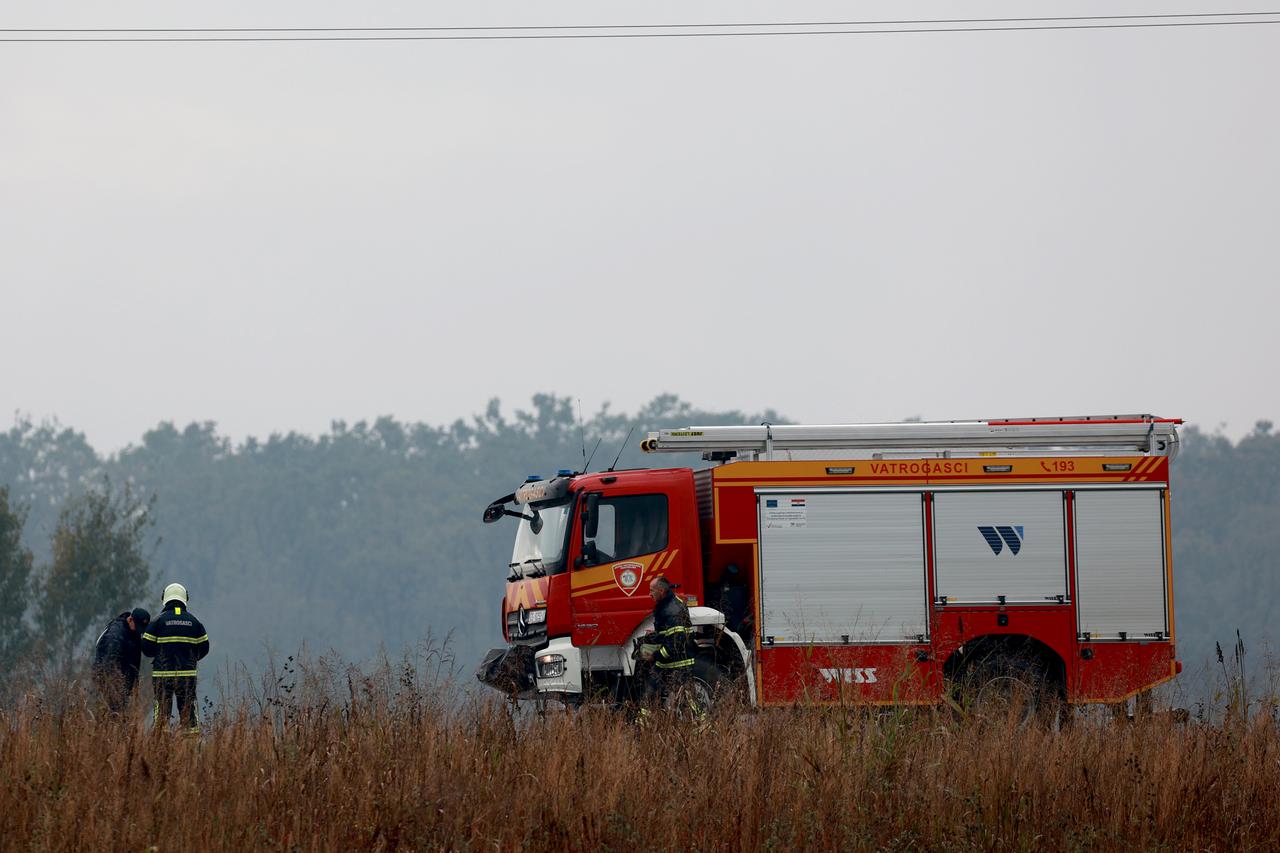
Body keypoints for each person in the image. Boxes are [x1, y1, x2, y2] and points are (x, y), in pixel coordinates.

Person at [141, 582, 209, 733]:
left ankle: (162, 750)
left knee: (161, 718)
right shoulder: (195, 622)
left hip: (162, 676)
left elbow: (145, 648)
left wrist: (158, 655)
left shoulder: (157, 622)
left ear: (165, 598)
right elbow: (204, 647)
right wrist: (191, 660)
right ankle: (190, 751)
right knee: (189, 716)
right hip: (187, 677)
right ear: (185, 598)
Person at [639, 576, 697, 713]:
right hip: (666, 662)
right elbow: (669, 634)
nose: (649, 594)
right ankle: (643, 728)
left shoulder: (672, 610)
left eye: (651, 590)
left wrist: (655, 656)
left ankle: (703, 726)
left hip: (679, 664)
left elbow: (676, 642)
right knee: (649, 698)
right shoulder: (668, 605)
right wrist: (655, 635)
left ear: (661, 590)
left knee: (689, 701)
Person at [92, 607, 151, 713]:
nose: (139, 631)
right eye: (137, 627)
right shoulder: (116, 634)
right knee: (115, 717)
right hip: (110, 686)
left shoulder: (132, 633)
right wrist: (116, 690)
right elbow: (109, 666)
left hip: (122, 688)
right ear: (130, 619)